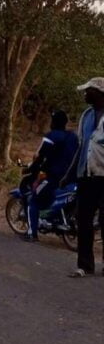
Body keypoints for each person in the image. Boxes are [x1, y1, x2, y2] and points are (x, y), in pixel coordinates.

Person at [64, 78, 104, 277]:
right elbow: (81, 148)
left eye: (88, 91)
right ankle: (85, 265)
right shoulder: (86, 116)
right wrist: (69, 175)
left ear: (98, 94)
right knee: (83, 220)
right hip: (86, 177)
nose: (85, 94)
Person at [20, 110, 78, 243]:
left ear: (53, 122)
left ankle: (32, 233)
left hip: (54, 177)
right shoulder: (73, 137)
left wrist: (30, 169)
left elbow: (39, 157)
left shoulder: (51, 137)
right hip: (71, 178)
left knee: (33, 200)